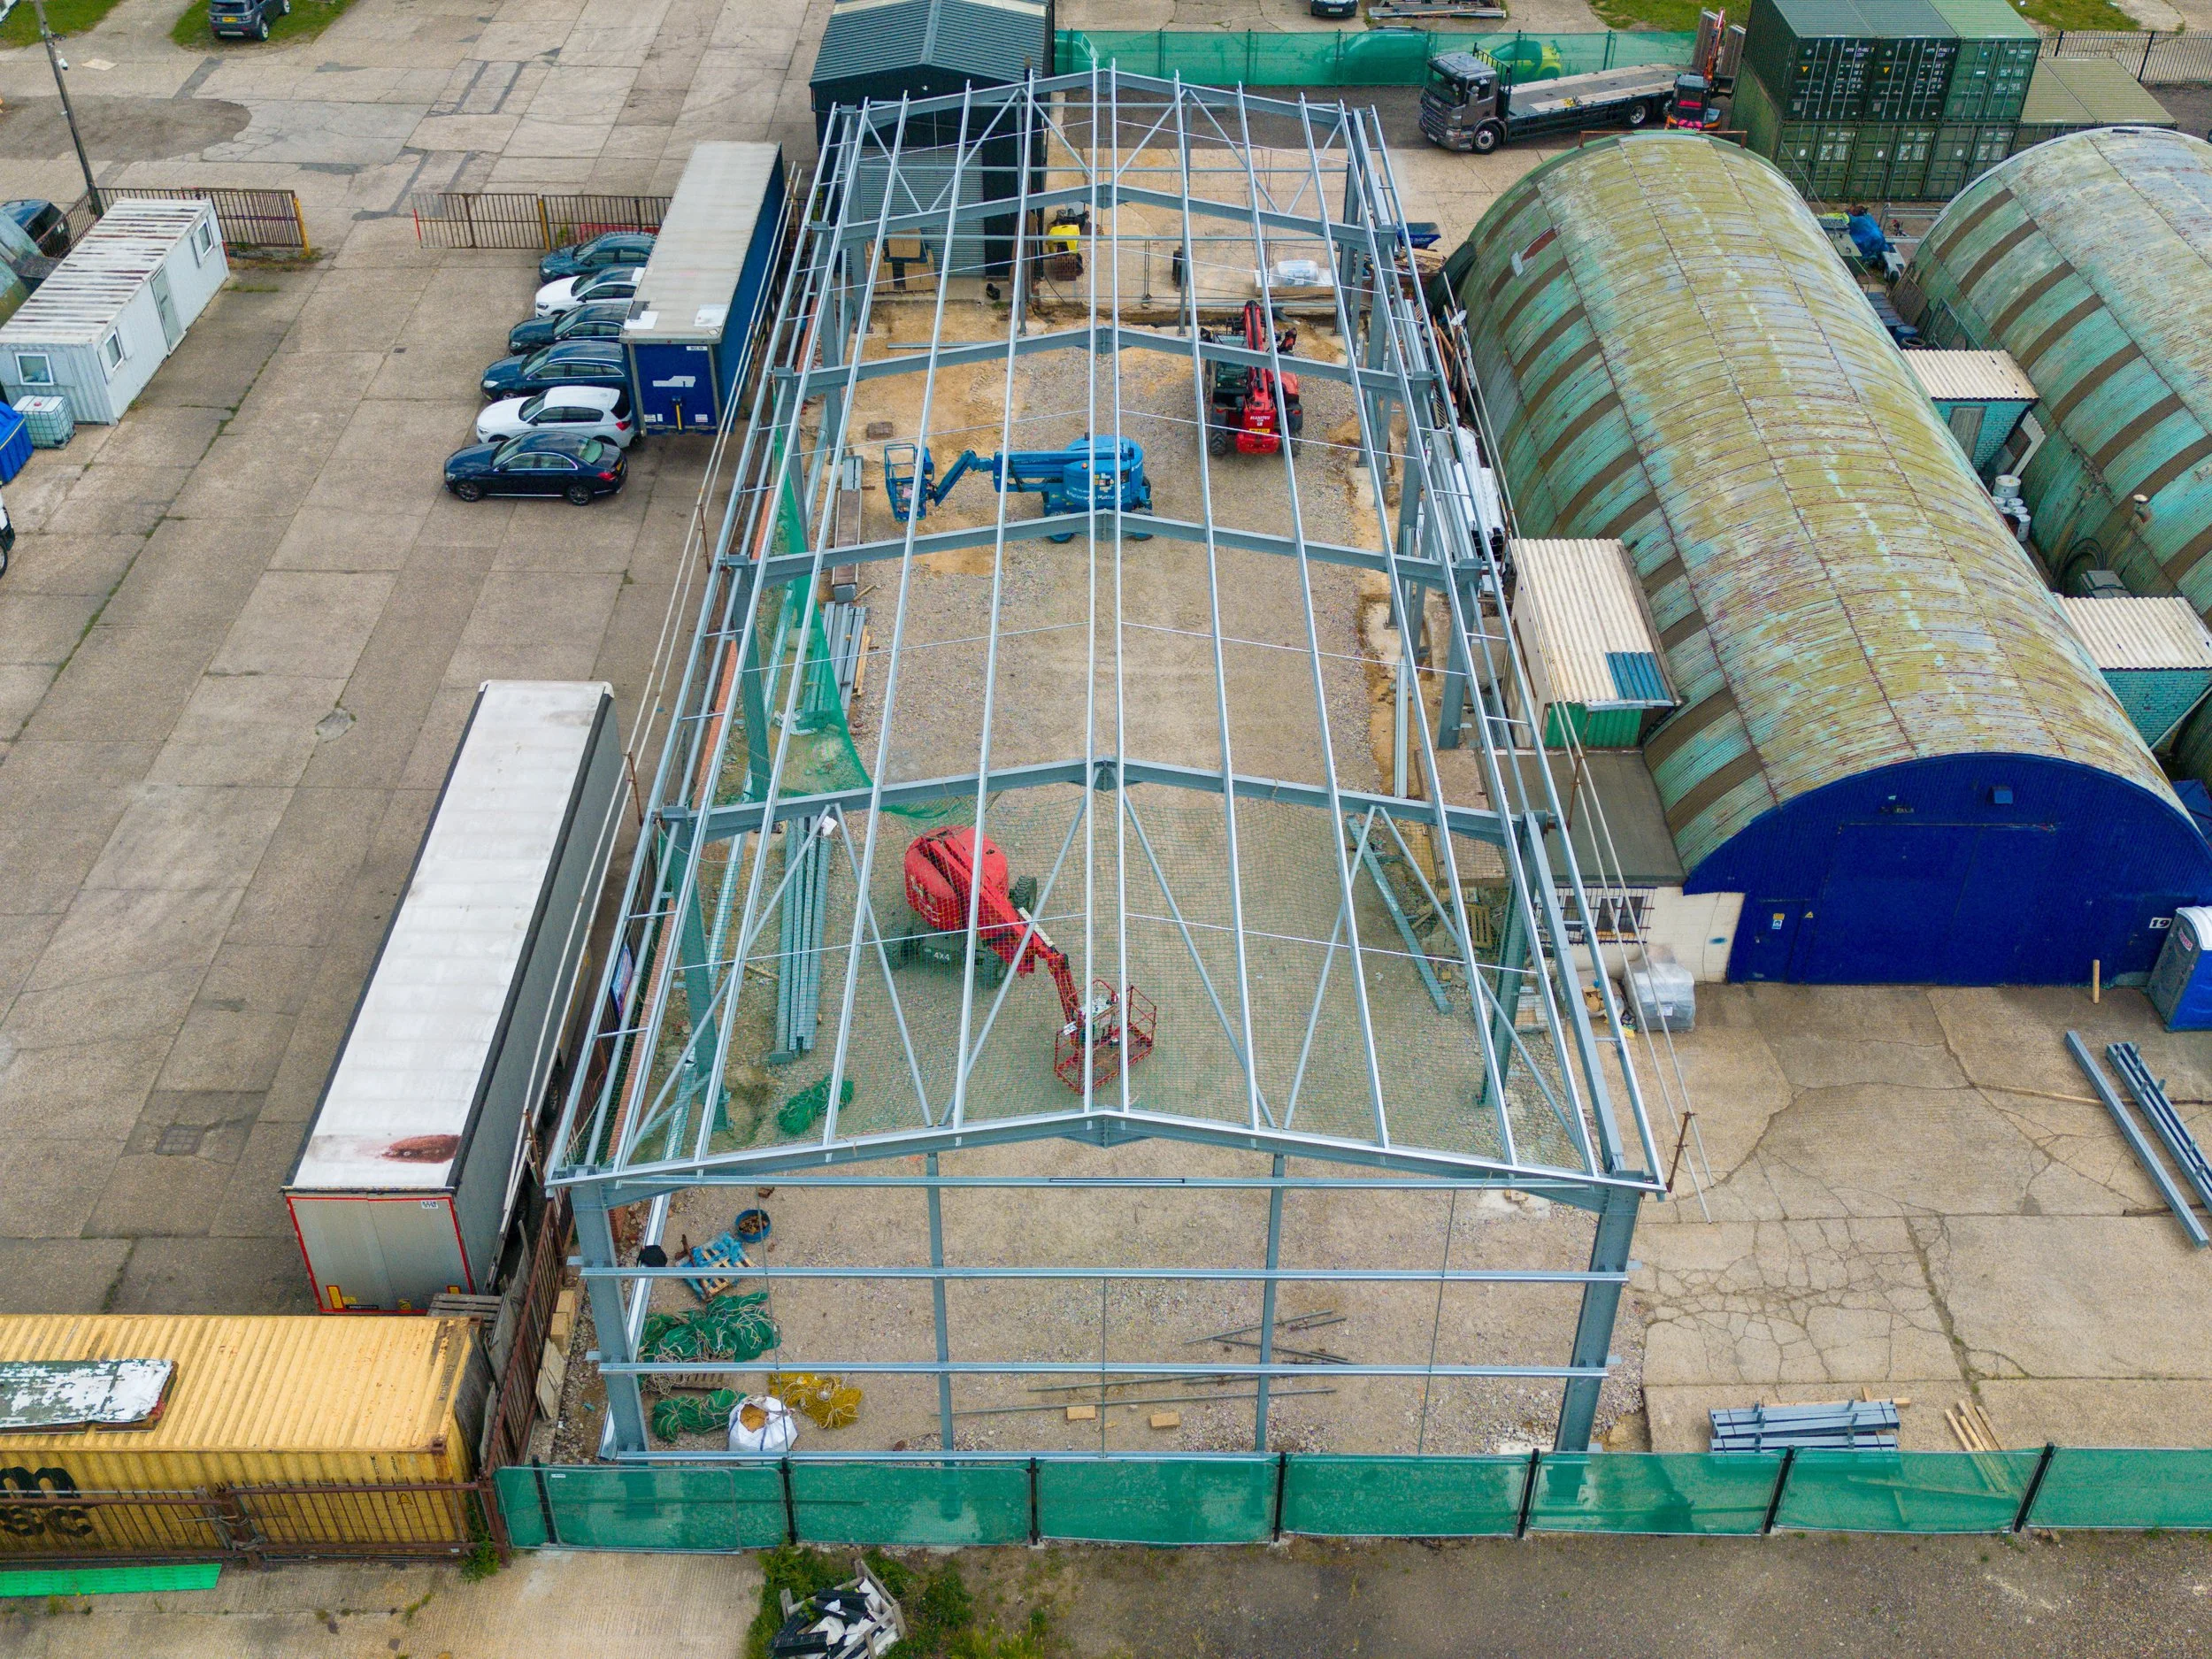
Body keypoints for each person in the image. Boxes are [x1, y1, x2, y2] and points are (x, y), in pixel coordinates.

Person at [1846, 204, 1891, 268]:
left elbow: (1852, 224)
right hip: (1878, 237)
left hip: (1871, 237)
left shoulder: (1854, 219)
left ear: (1856, 212)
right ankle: (1874, 256)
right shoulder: (1868, 216)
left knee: (1858, 242)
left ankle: (1870, 257)